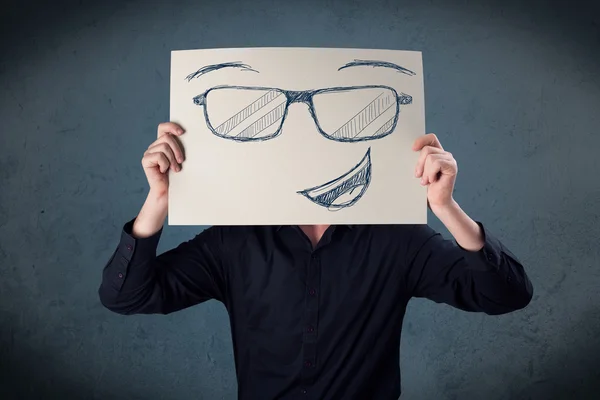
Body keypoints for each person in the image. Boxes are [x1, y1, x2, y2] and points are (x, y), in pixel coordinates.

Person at [99, 122, 533, 400]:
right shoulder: (235, 240)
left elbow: (508, 293)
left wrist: (446, 207)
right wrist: (158, 201)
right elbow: (126, 296)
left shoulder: (396, 239)